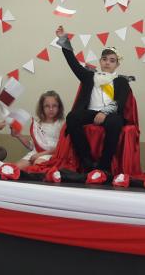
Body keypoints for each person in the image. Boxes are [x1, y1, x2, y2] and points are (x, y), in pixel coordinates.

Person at [56, 25, 132, 177]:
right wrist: (63, 39)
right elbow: (73, 63)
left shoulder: (121, 81)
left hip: (110, 114)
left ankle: (104, 165)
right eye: (104, 59)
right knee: (72, 117)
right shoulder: (89, 76)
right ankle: (87, 162)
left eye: (112, 60)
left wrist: (104, 113)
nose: (107, 63)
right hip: (89, 112)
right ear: (100, 61)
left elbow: (120, 102)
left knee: (115, 122)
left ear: (117, 64)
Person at [11, 90, 65, 169]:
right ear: (42, 108)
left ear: (59, 107)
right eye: (47, 106)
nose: (51, 109)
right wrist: (18, 135)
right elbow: (32, 147)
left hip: (53, 154)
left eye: (54, 106)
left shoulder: (62, 124)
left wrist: (40, 154)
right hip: (36, 153)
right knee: (16, 168)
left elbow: (62, 148)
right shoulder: (37, 123)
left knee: (37, 164)